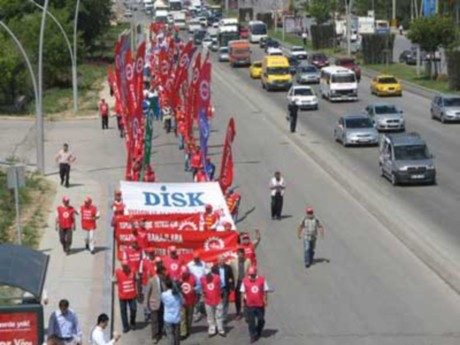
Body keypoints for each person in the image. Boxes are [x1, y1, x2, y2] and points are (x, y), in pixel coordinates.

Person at [241, 267, 270, 343]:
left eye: (253, 275)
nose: (251, 276)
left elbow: (265, 290)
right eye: (250, 275)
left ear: (256, 273)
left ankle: (258, 331)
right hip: (250, 305)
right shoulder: (245, 280)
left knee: (261, 320)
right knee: (251, 321)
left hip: (260, 304)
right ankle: (252, 335)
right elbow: (243, 292)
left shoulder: (262, 279)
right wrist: (242, 302)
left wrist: (265, 299)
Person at [113, 260, 138, 333]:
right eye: (123, 266)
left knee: (134, 309)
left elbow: (137, 279)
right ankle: (125, 326)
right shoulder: (118, 272)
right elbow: (114, 280)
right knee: (123, 311)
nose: (125, 267)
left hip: (132, 295)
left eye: (126, 266)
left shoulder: (133, 271)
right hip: (122, 296)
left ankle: (132, 322)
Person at [144, 266, 167, 344]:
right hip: (154, 304)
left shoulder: (163, 280)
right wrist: (146, 305)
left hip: (162, 303)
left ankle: (160, 333)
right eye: (163, 273)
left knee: (161, 319)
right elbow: (147, 293)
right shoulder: (151, 280)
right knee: (154, 320)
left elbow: (165, 289)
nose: (164, 275)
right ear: (159, 273)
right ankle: (154, 336)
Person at [201, 269, 225, 337]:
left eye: (208, 274)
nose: (207, 276)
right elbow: (201, 288)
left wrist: (220, 293)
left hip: (217, 300)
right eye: (206, 275)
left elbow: (222, 285)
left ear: (211, 273)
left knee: (219, 315)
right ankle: (212, 329)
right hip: (208, 301)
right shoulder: (202, 279)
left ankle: (220, 329)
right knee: (210, 316)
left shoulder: (217, 277)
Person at [229, 248, 251, 320]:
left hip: (245, 282)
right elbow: (229, 271)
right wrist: (230, 281)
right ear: (237, 255)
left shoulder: (248, 261)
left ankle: (247, 313)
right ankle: (238, 312)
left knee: (246, 298)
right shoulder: (233, 262)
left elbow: (250, 271)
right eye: (239, 255)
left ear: (244, 255)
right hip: (237, 282)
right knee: (237, 299)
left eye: (242, 255)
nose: (241, 256)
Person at [161, 278, 183, 345]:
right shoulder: (178, 295)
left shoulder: (164, 294)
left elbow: (162, 301)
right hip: (176, 318)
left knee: (170, 335)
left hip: (168, 318)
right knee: (177, 335)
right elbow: (183, 302)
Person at [212, 256, 234, 323]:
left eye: (223, 260)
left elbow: (231, 277)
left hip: (225, 288)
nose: (222, 262)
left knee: (225, 303)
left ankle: (224, 318)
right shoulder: (214, 268)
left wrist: (231, 287)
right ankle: (218, 316)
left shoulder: (228, 267)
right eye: (220, 260)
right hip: (217, 289)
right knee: (217, 303)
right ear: (218, 261)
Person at [187, 252, 206, 322]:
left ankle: (202, 311)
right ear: (193, 258)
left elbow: (205, 273)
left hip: (202, 285)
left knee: (202, 300)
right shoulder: (189, 265)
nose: (197, 260)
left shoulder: (203, 264)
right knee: (195, 300)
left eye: (198, 258)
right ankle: (195, 314)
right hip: (193, 285)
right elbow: (188, 275)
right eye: (195, 259)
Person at [179, 266, 197, 339]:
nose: (184, 275)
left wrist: (195, 289)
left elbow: (197, 286)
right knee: (182, 317)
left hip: (191, 300)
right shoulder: (179, 277)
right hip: (182, 301)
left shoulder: (193, 277)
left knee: (189, 317)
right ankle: (183, 333)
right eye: (183, 273)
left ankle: (188, 329)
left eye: (185, 273)